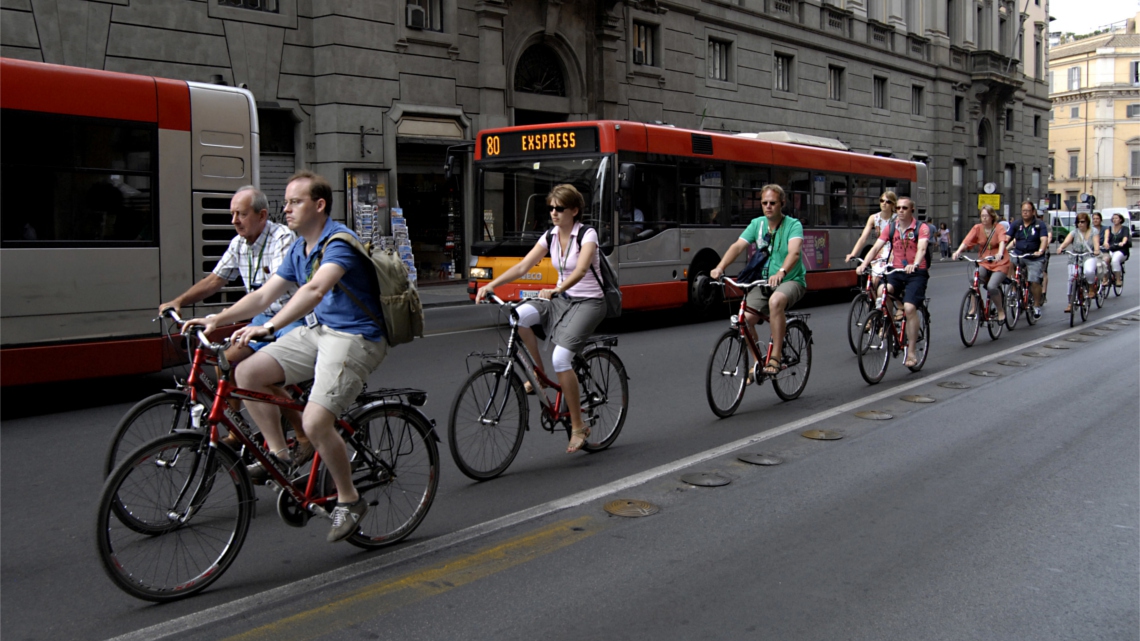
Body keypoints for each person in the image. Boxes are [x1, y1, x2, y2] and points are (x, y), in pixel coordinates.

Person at [186, 170, 389, 543]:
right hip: (320, 331)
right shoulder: (299, 246)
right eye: (287, 203)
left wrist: (269, 327)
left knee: (314, 422)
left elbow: (314, 289)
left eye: (295, 202)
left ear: (319, 205)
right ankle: (280, 454)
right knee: (247, 373)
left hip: (355, 337)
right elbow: (263, 296)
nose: (287, 209)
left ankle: (349, 498)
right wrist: (217, 317)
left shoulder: (339, 241)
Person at [159, 186, 309, 460]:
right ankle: (236, 428)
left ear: (262, 215)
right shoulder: (240, 243)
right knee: (224, 361)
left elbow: (270, 290)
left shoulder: (281, 238)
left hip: (290, 317)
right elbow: (215, 279)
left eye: (241, 214)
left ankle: (302, 436)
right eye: (232, 214)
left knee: (263, 373)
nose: (234, 220)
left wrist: (224, 316)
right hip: (263, 317)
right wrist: (179, 301)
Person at [475, 184, 606, 454]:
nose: (554, 213)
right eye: (551, 208)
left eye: (559, 208)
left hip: (589, 302)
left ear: (574, 210)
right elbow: (524, 265)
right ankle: (540, 375)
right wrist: (491, 285)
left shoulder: (587, 234)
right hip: (561, 300)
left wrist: (558, 288)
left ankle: (579, 426)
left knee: (561, 358)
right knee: (518, 316)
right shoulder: (551, 236)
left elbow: (581, 270)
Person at [710, 184, 806, 377]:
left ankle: (775, 357)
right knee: (744, 320)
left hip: (791, 280)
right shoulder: (757, 224)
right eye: (764, 203)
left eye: (773, 203)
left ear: (782, 204)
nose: (768, 206)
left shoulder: (793, 225)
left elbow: (794, 252)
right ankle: (758, 362)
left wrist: (781, 271)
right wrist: (720, 267)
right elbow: (738, 246)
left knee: (776, 301)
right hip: (762, 282)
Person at [855, 197, 930, 368]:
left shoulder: (921, 228)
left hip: (916, 273)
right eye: (898, 208)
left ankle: (911, 352)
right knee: (883, 291)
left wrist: (915, 264)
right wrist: (864, 264)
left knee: (910, 308)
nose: (901, 210)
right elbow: (875, 247)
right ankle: (888, 325)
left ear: (912, 210)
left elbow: (922, 248)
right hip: (896, 271)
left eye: (905, 208)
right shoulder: (891, 228)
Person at [952, 205, 1008, 322]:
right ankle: (974, 308)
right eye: (982, 216)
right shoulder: (977, 228)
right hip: (985, 261)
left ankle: (1000, 310)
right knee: (974, 280)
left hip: (999, 262)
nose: (984, 218)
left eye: (986, 216)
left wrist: (1000, 253)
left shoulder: (998, 228)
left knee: (992, 286)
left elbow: (1002, 241)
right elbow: (967, 241)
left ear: (992, 216)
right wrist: (958, 252)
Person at [1007, 201, 1050, 318]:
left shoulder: (1039, 224)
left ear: (1033, 212)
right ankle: (1014, 288)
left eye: (1028, 211)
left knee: (1034, 280)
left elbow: (1044, 239)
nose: (1025, 213)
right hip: (1019, 254)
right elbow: (1007, 237)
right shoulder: (1016, 224)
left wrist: (1040, 251)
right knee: (1010, 261)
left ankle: (1036, 306)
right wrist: (1001, 248)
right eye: (1023, 211)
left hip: (1033, 257)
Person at [844, 191, 897, 285]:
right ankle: (877, 299)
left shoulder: (896, 219)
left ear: (893, 204)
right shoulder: (873, 218)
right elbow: (863, 237)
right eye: (882, 201)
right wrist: (853, 253)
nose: (884, 203)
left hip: (894, 250)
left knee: (890, 282)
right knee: (874, 280)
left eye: (888, 202)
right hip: (879, 250)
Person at [1056, 212, 1101, 311]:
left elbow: (1096, 242)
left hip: (1088, 255)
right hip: (1075, 256)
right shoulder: (1074, 232)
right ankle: (1070, 303)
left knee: (1089, 271)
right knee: (1071, 278)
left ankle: (1090, 287)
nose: (1080, 224)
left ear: (1087, 222)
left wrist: (1096, 250)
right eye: (1078, 222)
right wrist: (1061, 247)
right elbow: (1067, 241)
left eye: (1082, 222)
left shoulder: (1093, 231)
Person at [1103, 212, 1132, 286]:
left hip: (1121, 250)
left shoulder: (1125, 228)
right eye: (1113, 218)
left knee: (1115, 260)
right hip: (1111, 249)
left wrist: (1123, 242)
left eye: (1116, 218)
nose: (1114, 220)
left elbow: (1125, 236)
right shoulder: (1109, 228)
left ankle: (1118, 279)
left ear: (1120, 219)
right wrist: (1106, 243)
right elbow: (1106, 237)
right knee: (1104, 261)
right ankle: (1105, 279)